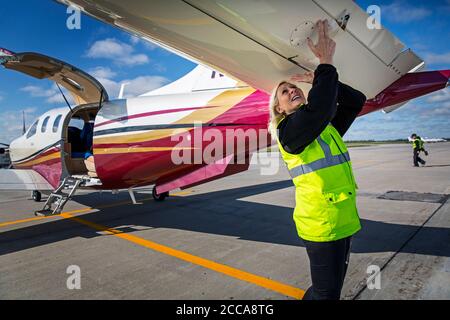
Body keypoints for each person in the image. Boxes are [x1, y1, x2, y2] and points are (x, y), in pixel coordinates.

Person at [268, 20, 366, 300]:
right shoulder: (288, 132)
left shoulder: (325, 128)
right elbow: (320, 108)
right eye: (284, 92)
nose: (292, 91)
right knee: (327, 294)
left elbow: (356, 101)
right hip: (321, 225)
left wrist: (317, 79)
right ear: (279, 108)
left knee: (328, 291)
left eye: (293, 87)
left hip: (343, 220)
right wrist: (325, 63)